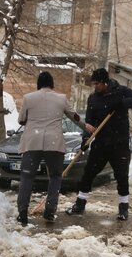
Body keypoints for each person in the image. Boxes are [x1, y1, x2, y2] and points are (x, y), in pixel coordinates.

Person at [66, 67, 132, 220]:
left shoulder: (121, 91)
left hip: (120, 143)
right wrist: (85, 141)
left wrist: (122, 103)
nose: (95, 87)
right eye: (93, 84)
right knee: (88, 174)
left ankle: (123, 208)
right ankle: (80, 204)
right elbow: (89, 122)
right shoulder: (93, 98)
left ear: (104, 82)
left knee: (122, 177)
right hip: (101, 143)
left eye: (97, 84)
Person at [16, 72, 94, 227]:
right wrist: (87, 126)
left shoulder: (29, 98)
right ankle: (50, 211)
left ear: (38, 83)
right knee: (55, 176)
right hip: (54, 142)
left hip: (33, 143)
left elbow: (21, 120)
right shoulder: (61, 99)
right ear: (52, 84)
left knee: (27, 177)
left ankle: (23, 213)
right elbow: (75, 117)